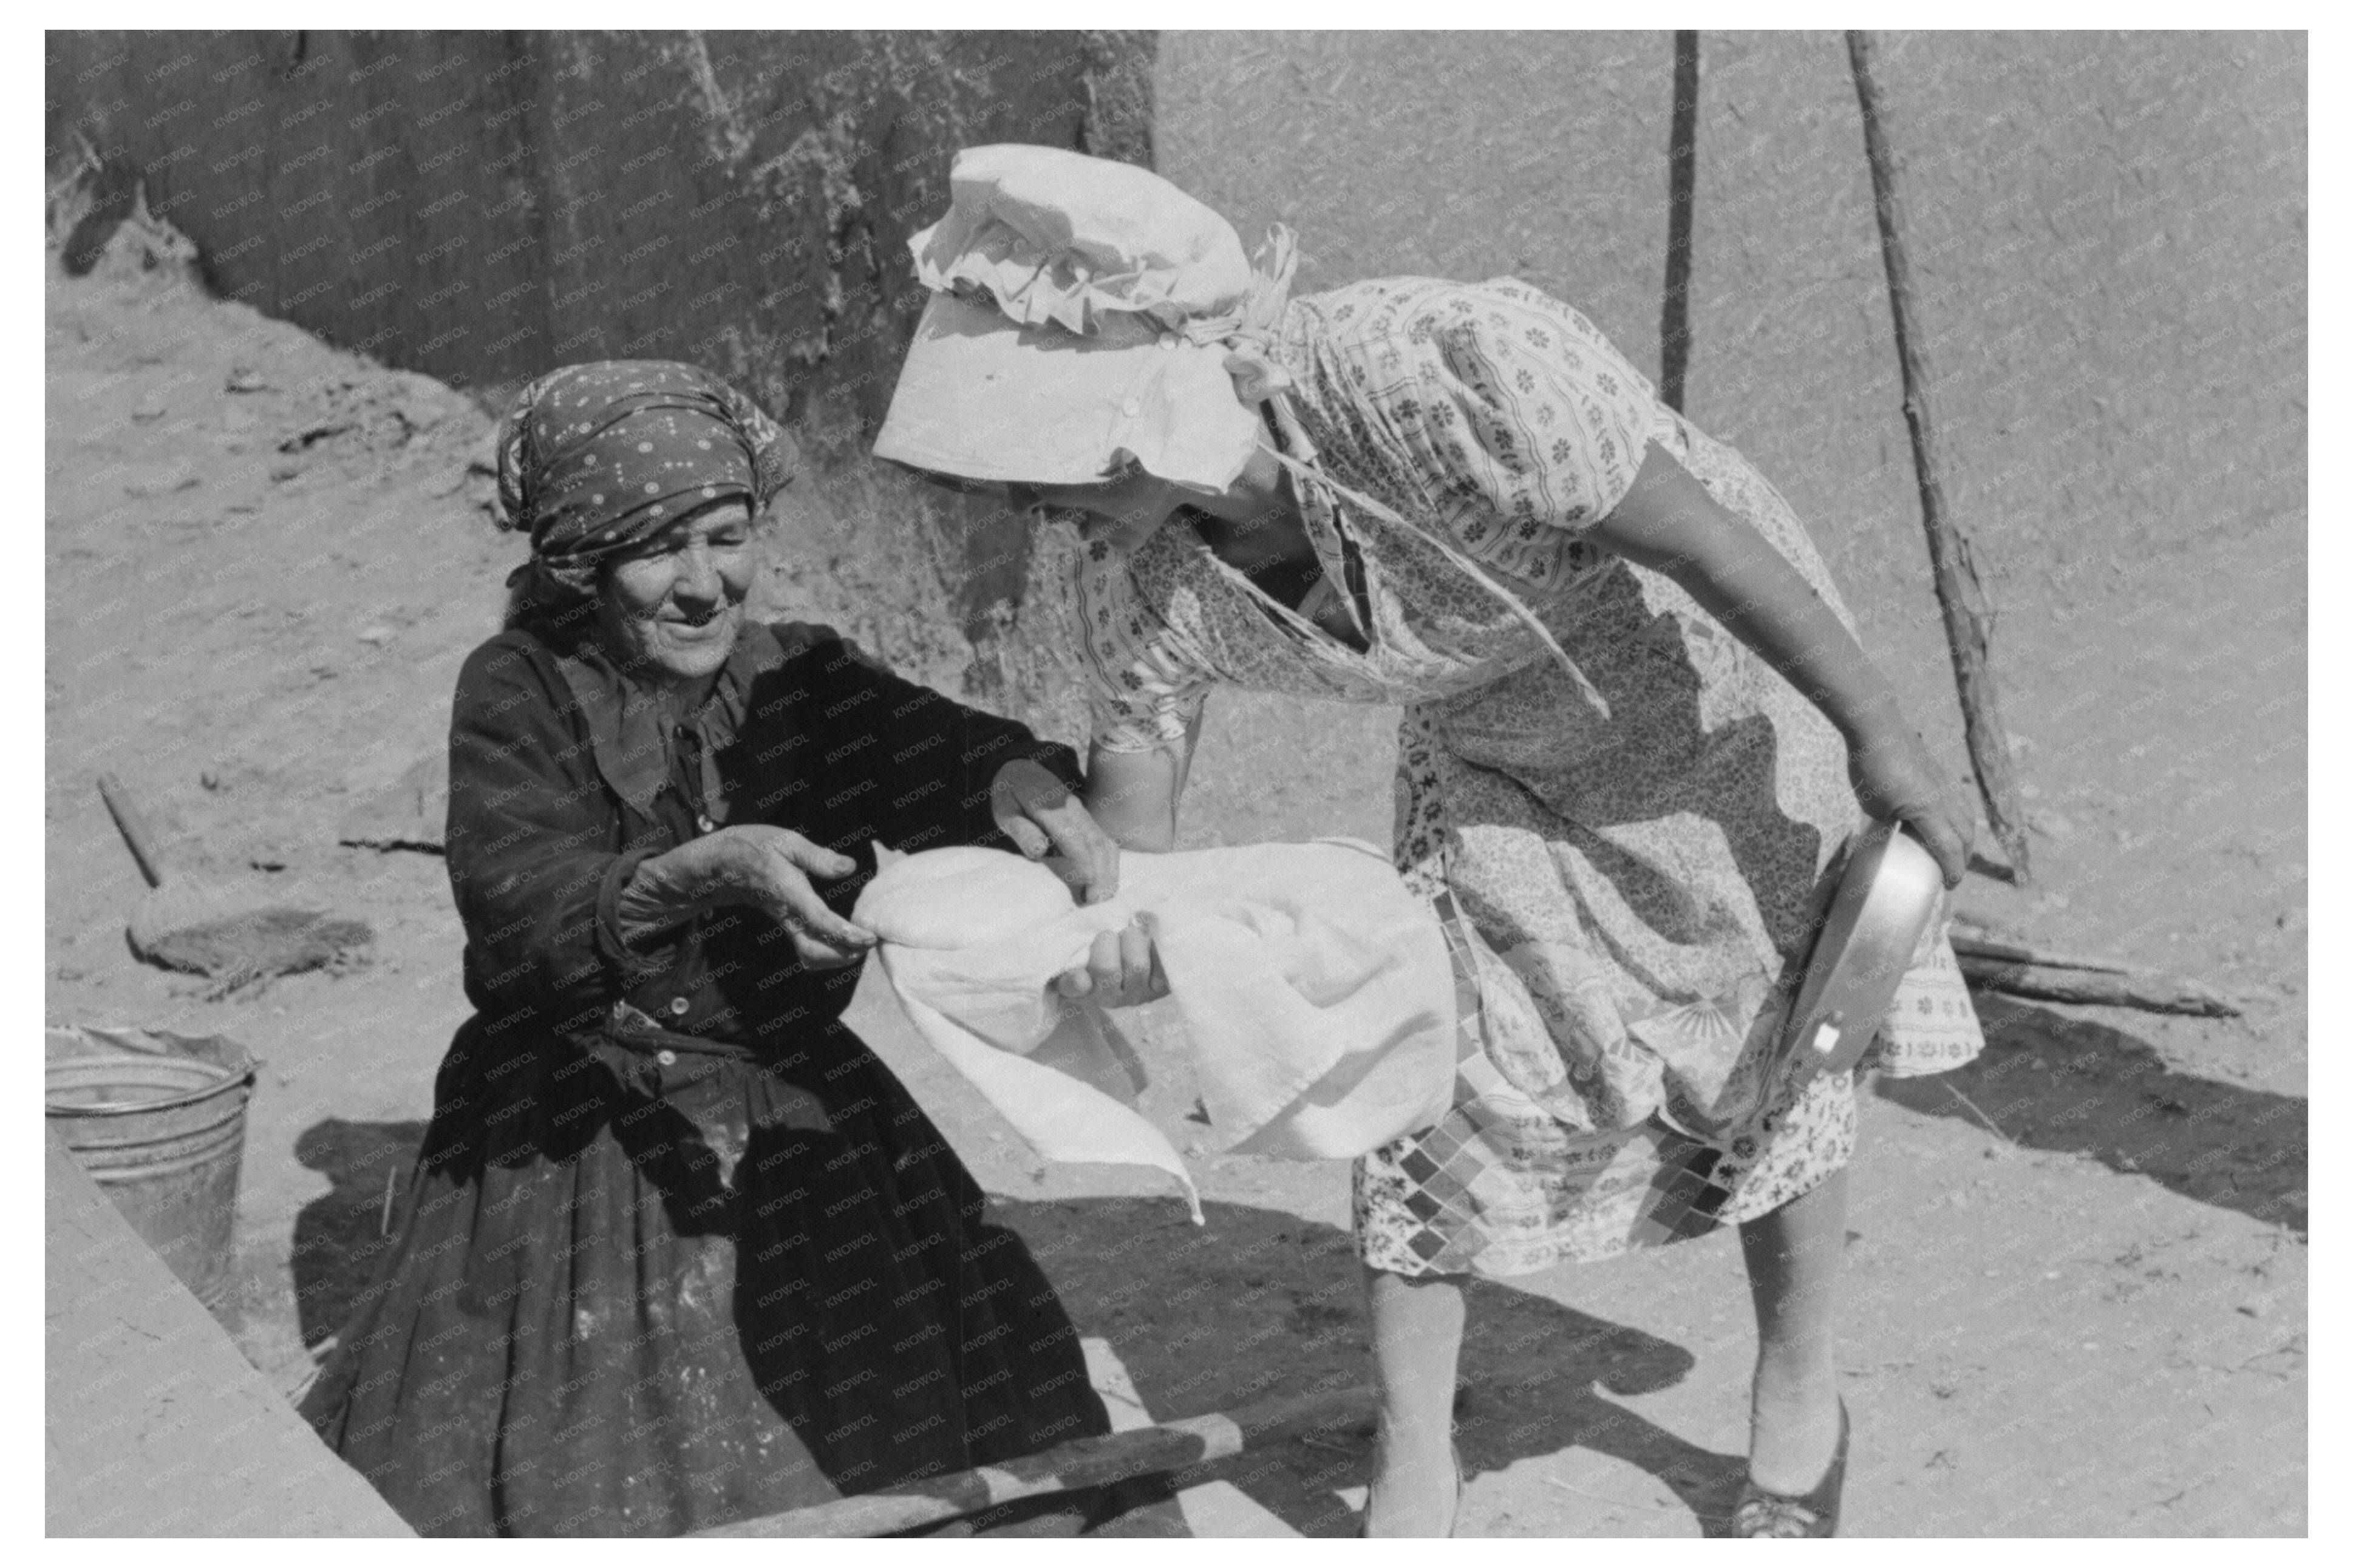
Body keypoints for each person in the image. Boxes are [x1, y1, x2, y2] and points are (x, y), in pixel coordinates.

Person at [874, 145, 1989, 1538]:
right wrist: (1105, 937)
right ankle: (1416, 1455)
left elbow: (1707, 548)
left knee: (1778, 1037)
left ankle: (1800, 1391)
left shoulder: (1440, 372)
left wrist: (1881, 735)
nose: (1029, 508)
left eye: (1043, 464)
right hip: (1492, 746)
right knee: (1428, 1064)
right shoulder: (1138, 579)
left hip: (1716, 685)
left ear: (1151, 400)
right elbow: (1132, 845)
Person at [299, 359, 1179, 1538]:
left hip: (787, 1112)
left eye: (727, 537)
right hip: (587, 1121)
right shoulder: (522, 690)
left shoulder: (795, 675)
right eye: (658, 550)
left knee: (932, 1427)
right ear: (581, 562)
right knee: (604, 1462)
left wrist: (1004, 775)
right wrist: (697, 871)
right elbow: (520, 917)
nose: (706, 584)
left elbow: (927, 749)